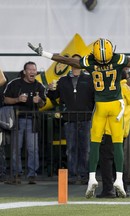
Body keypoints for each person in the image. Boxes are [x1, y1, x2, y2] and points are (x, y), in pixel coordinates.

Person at [28, 34, 130, 198]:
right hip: (115, 108)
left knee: (95, 143)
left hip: (100, 108)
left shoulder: (91, 62)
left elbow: (68, 61)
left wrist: (44, 53)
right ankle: (119, 179)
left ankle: (91, 177)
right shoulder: (118, 63)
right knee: (117, 145)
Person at [46, 54, 94, 185]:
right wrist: (49, 90)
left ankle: (84, 175)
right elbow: (54, 97)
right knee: (71, 148)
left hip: (86, 119)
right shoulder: (62, 80)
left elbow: (96, 99)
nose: (75, 62)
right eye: (72, 60)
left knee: (85, 149)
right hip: (69, 119)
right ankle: (72, 175)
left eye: (78, 60)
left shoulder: (90, 79)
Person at [4, 62, 46, 184]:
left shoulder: (39, 86)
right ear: (24, 72)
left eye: (34, 69)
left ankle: (32, 175)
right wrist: (17, 99)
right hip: (16, 121)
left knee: (33, 149)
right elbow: (5, 99)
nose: (33, 72)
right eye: (30, 69)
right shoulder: (14, 83)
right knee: (16, 149)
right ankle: (16, 174)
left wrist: (39, 101)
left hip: (32, 121)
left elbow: (43, 103)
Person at [97, 70, 130, 198]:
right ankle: (122, 188)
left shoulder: (114, 90)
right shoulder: (127, 89)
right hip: (122, 130)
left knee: (106, 160)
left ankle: (108, 189)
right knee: (118, 160)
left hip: (109, 130)